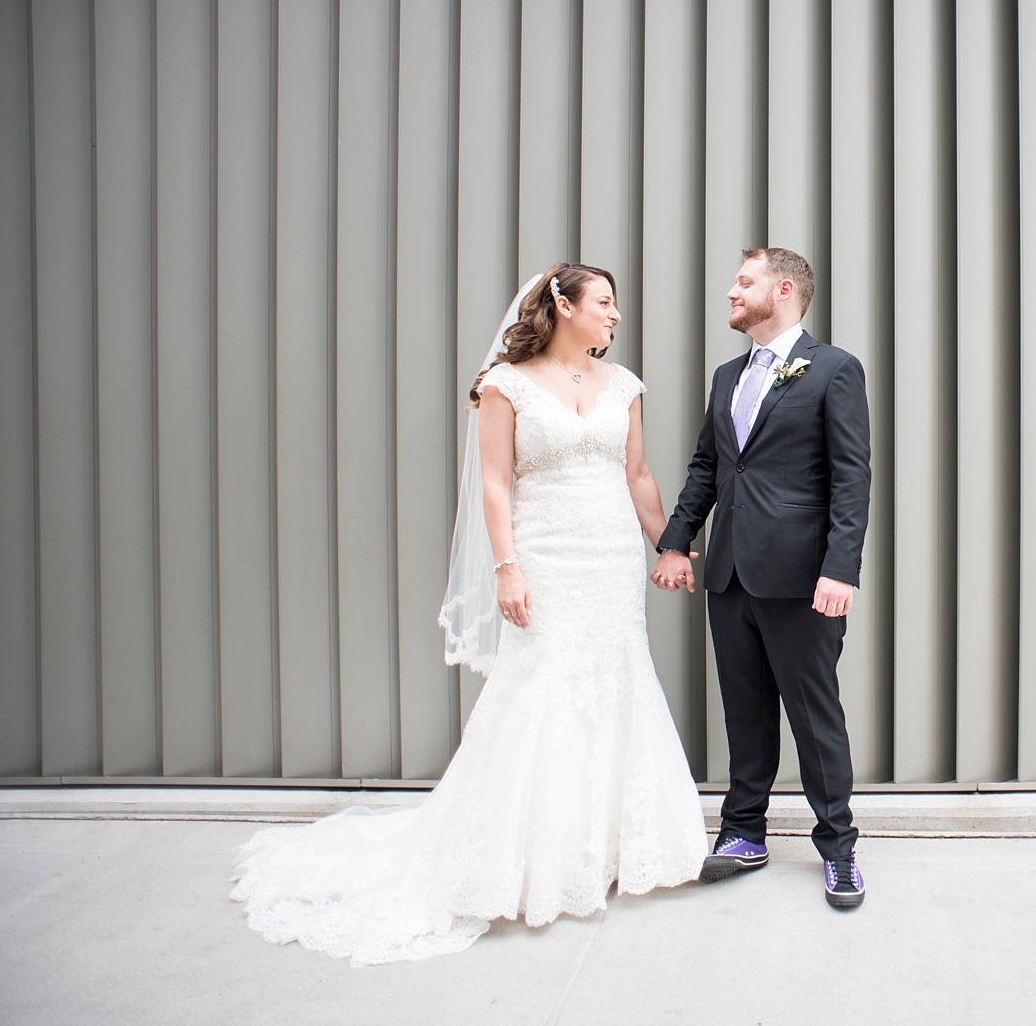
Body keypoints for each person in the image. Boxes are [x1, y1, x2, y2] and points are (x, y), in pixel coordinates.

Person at [230, 263, 708, 966]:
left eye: (615, 304)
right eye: (603, 302)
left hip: (610, 562)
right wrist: (506, 566)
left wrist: (669, 545)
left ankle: (600, 845)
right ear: (562, 302)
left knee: (617, 682)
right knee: (537, 691)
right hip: (545, 558)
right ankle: (518, 857)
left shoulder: (625, 385)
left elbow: (636, 472)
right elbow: (493, 481)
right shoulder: (504, 385)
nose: (614, 314)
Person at [652, 247, 871, 910]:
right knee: (743, 711)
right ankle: (744, 831)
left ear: (782, 289)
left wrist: (840, 568)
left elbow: (851, 478)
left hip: (804, 579)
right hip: (730, 575)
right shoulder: (727, 375)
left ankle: (838, 845)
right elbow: (706, 467)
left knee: (814, 715)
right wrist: (676, 542)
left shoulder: (833, 369)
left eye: (742, 282)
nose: (730, 292)